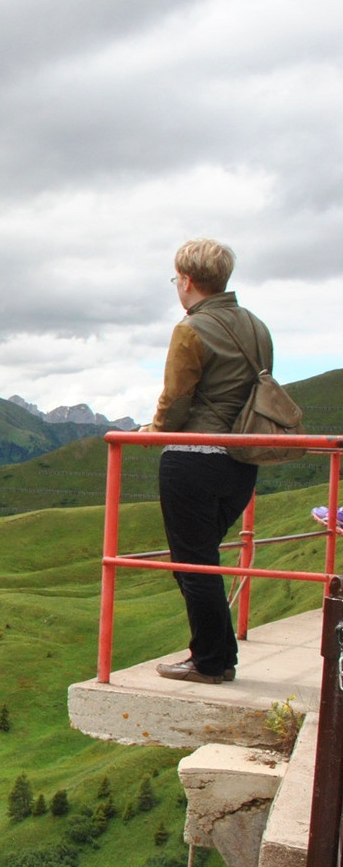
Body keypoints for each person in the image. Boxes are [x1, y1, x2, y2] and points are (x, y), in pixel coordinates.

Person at [148, 238, 273, 684]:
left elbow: (178, 399)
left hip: (193, 458)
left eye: (175, 279)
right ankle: (221, 653)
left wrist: (155, 429)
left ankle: (208, 660)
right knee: (203, 558)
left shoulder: (191, 328)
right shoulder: (256, 326)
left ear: (186, 280)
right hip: (242, 458)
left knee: (193, 562)